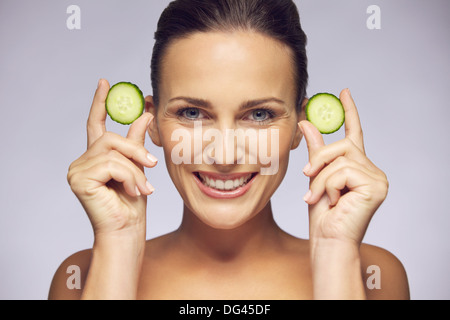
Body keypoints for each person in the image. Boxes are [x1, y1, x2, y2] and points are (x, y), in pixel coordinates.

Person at [49, 0, 410, 300]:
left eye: (258, 114)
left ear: (302, 125)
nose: (224, 156)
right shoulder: (80, 277)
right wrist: (118, 242)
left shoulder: (370, 275)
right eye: (192, 113)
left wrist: (335, 255)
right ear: (153, 121)